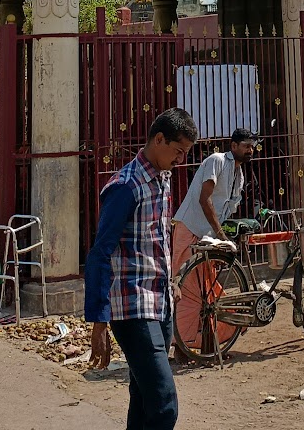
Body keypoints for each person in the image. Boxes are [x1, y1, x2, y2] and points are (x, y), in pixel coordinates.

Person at [86, 107, 198, 430]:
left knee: (144, 402)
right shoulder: (126, 186)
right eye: (178, 151)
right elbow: (99, 253)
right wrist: (98, 320)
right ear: (159, 139)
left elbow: (156, 240)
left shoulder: (162, 179)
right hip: (133, 309)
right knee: (164, 407)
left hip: (160, 305)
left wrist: (171, 281)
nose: (180, 160)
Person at [170, 128, 257, 353]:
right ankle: (181, 345)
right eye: (246, 146)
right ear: (233, 146)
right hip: (191, 229)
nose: (250, 151)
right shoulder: (216, 161)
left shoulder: (240, 175)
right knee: (186, 290)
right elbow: (204, 198)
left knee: (207, 295)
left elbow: (225, 209)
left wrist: (222, 238)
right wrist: (220, 234)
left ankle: (204, 344)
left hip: (208, 237)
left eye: (252, 147)